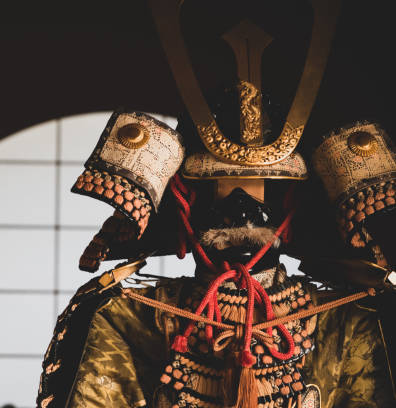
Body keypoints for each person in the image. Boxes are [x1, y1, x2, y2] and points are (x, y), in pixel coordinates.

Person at [36, 2, 396, 407]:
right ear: (182, 200)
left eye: (266, 193)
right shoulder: (129, 317)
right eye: (218, 192)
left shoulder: (345, 320)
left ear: (294, 205)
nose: (243, 210)